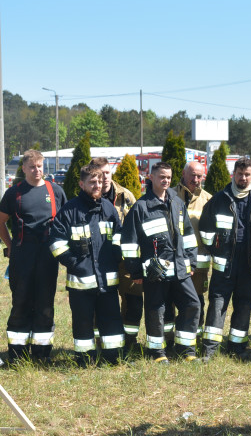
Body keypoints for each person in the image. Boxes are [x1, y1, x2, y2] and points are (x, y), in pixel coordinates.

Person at [120, 162, 200, 361]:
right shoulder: (141, 207)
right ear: (151, 177)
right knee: (156, 311)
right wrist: (136, 272)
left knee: (192, 304)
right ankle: (156, 352)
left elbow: (188, 235)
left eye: (168, 177)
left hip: (181, 269)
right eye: (161, 177)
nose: (165, 180)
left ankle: (185, 350)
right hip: (156, 271)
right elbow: (128, 243)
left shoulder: (177, 202)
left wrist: (191, 262)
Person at [0, 150, 67, 364]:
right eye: (32, 167)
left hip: (47, 257)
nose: (37, 170)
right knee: (21, 302)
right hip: (22, 257)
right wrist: (10, 246)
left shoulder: (55, 191)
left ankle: (42, 353)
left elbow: (65, 222)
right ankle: (17, 353)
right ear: (24, 168)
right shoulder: (14, 193)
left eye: (40, 166)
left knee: (45, 304)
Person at [50, 164, 125, 366]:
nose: (97, 185)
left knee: (111, 320)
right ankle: (85, 360)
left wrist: (115, 256)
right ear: (82, 184)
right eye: (92, 182)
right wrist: (75, 264)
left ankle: (113, 358)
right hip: (81, 282)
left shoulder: (108, 208)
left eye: (100, 181)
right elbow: (56, 243)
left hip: (107, 280)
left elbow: (119, 235)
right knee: (83, 323)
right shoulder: (69, 210)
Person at [198, 157, 251, 360]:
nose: (243, 178)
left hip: (248, 263)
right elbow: (205, 228)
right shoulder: (220, 199)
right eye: (240, 174)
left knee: (245, 303)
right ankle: (210, 349)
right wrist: (217, 249)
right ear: (234, 175)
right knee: (217, 304)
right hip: (225, 263)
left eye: (247, 174)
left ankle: (237, 347)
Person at [93, 157, 143, 353]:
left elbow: (137, 225)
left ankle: (129, 342)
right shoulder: (89, 196)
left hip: (126, 260)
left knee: (133, 301)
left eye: (107, 173)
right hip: (100, 260)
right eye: (99, 174)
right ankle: (100, 343)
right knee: (102, 302)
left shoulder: (126, 196)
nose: (104, 178)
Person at [175, 160, 212, 328]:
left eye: (200, 176)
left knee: (197, 300)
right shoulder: (170, 195)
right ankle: (169, 338)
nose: (196, 179)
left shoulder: (208, 200)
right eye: (193, 175)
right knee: (171, 300)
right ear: (184, 174)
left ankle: (194, 335)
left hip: (198, 264)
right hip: (172, 259)